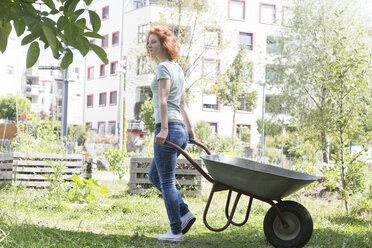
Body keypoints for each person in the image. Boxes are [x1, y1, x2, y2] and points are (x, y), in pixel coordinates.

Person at [146, 26, 196, 242]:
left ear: (165, 44)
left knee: (166, 181)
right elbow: (183, 103)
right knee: (154, 176)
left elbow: (163, 100)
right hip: (180, 131)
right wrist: (190, 131)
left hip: (168, 130)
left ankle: (176, 231)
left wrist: (164, 129)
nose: (149, 45)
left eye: (154, 41)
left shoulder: (164, 68)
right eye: (148, 42)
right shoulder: (178, 69)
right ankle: (184, 212)